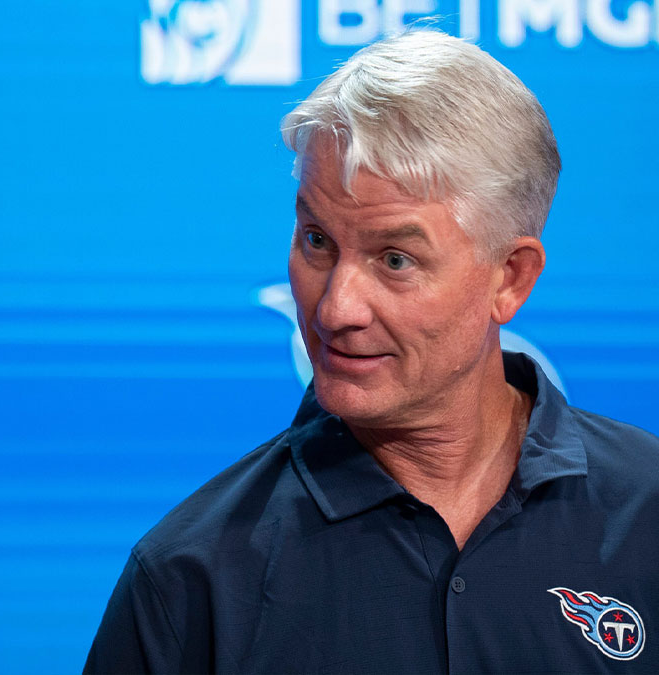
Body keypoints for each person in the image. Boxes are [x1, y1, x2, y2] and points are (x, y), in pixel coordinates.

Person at [85, 29, 659, 673]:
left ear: (510, 278)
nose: (335, 310)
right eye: (316, 240)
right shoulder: (190, 580)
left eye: (394, 259)